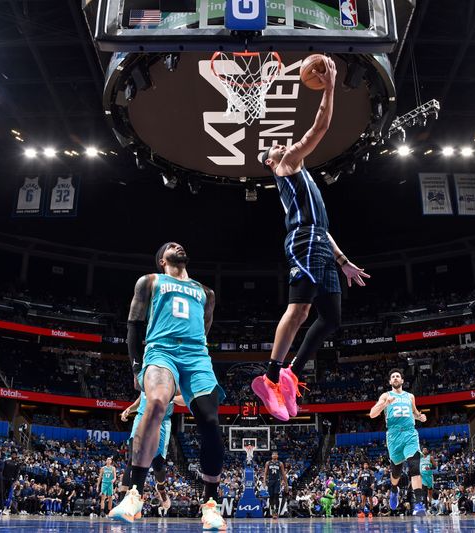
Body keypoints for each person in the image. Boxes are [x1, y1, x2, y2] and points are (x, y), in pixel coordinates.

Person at [252, 56, 370, 422]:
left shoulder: (301, 175)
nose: (279, 144)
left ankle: (291, 374)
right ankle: (270, 376)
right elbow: (318, 129)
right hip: (302, 241)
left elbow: (323, 227)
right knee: (300, 309)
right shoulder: (287, 163)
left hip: (318, 240)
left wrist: (343, 260)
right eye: (272, 146)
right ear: (271, 163)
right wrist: (330, 87)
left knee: (331, 318)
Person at [112, 242, 226, 530]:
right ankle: (135, 493)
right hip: (161, 349)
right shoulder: (150, 281)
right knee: (158, 400)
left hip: (196, 355)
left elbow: (204, 328)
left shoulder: (205, 292)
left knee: (210, 420)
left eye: (180, 244)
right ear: (162, 260)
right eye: (170, 246)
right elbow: (134, 325)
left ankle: (210, 504)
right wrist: (137, 367)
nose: (178, 246)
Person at [115, 390, 185, 514]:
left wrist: (169, 396)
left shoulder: (174, 376)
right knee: (133, 459)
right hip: (141, 417)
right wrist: (130, 409)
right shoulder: (146, 373)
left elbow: (185, 400)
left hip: (161, 422)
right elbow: (141, 397)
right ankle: (124, 503)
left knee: (157, 465)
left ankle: (161, 487)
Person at [368, 368, 427, 516]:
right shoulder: (386, 395)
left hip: (410, 433)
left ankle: (419, 504)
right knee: (396, 472)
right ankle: (394, 490)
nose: (395, 378)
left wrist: (420, 417)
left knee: (414, 467)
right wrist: (384, 404)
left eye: (398, 376)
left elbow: (414, 412)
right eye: (393, 376)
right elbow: (372, 414)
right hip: (394, 436)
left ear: (402, 380)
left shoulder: (410, 396)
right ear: (390, 381)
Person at [263, 451, 287, 519]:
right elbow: (265, 473)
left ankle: (276, 511)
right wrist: (264, 482)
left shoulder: (280, 463)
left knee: (276, 496)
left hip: (277, 481)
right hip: (270, 481)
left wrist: (285, 483)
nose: (274, 455)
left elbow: (283, 474)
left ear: (277, 456)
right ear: (271, 456)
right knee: (271, 497)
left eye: (275, 454)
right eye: (273, 454)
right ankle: (273, 510)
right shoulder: (268, 463)